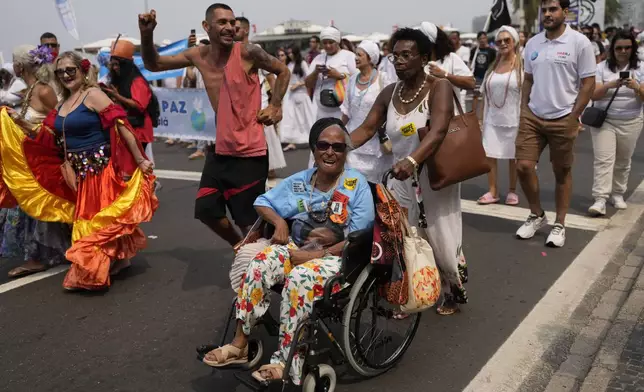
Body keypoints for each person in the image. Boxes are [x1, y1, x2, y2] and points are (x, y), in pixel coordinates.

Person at [201, 118, 374, 385]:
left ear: (345, 152)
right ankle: (240, 344)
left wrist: (316, 256)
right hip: (297, 250)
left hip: (337, 259)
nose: (330, 152)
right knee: (260, 263)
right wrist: (279, 221)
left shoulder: (355, 185)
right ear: (314, 149)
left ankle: (286, 362)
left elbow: (358, 238)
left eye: (338, 147)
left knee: (298, 280)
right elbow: (263, 202)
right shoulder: (300, 182)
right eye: (324, 145)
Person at [0, 51, 157, 291]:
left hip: (101, 173)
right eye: (60, 72)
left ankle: (95, 271)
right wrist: (19, 124)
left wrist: (140, 159)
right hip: (79, 176)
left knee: (97, 224)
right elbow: (48, 136)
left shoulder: (93, 95)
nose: (65, 75)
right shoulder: (62, 104)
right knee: (95, 223)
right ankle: (119, 260)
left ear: (83, 71)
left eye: (70, 70)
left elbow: (121, 126)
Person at [138, 4, 290, 248]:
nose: (230, 27)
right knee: (206, 210)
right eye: (222, 22)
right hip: (220, 150)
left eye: (232, 22)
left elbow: (282, 71)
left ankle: (269, 266)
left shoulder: (248, 52)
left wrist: (275, 105)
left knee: (249, 222)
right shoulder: (198, 55)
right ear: (206, 27)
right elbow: (154, 64)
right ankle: (241, 248)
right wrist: (147, 35)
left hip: (249, 152)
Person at [350, 27, 467, 315]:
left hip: (433, 175)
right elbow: (366, 128)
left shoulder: (439, 86)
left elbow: (439, 129)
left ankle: (452, 287)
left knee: (439, 235)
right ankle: (412, 290)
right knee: (403, 235)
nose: (399, 61)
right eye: (395, 56)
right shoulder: (390, 93)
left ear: (424, 57)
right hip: (399, 176)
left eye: (406, 55)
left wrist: (413, 161)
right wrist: (333, 146)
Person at [515, 0, 596, 247]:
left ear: (564, 12)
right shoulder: (533, 43)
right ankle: (537, 214)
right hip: (533, 116)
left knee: (562, 172)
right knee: (523, 167)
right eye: (545, 10)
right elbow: (528, 78)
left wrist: (574, 116)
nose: (548, 14)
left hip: (564, 117)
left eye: (553, 9)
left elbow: (589, 83)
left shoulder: (579, 43)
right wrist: (523, 108)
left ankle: (560, 223)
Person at [1, 45, 71, 279]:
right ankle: (40, 254)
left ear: (20, 66)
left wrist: (23, 124)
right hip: (32, 158)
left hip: (45, 159)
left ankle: (38, 257)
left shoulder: (43, 91)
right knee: (30, 209)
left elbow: (62, 122)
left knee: (39, 206)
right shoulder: (30, 91)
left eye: (15, 62)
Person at [588, 31, 644, 216]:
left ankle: (618, 193)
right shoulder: (601, 67)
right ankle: (600, 198)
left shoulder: (641, 67)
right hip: (605, 120)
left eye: (627, 47)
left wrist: (636, 87)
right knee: (604, 160)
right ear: (612, 49)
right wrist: (609, 85)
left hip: (631, 120)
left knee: (623, 161)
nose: (623, 51)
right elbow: (593, 94)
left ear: (633, 48)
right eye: (619, 47)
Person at [478, 26, 523, 206]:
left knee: (513, 157)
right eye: (499, 41)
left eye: (507, 40)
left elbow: (527, 94)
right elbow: (484, 95)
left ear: (514, 42)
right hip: (492, 118)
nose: (503, 43)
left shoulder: (522, 66)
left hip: (515, 118)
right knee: (490, 154)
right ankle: (493, 190)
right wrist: (479, 118)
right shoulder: (493, 66)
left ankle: (512, 191)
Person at [341, 40, 392, 183]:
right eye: (355, 54)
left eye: (360, 55)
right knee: (353, 183)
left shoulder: (383, 78)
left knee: (378, 189)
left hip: (377, 145)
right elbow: (346, 111)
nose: (355, 58)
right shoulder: (352, 80)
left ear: (370, 58)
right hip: (354, 142)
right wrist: (336, 129)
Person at [102, 40, 155, 150]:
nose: (115, 68)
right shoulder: (119, 79)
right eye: (113, 64)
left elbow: (139, 105)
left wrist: (117, 96)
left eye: (117, 64)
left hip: (138, 129)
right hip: (126, 127)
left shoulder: (137, 81)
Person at [305, 27, 358, 120]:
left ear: (337, 42)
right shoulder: (318, 59)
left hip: (343, 111)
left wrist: (340, 76)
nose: (328, 46)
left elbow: (359, 80)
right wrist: (316, 72)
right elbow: (308, 84)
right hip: (322, 111)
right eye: (325, 43)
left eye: (331, 42)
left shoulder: (349, 56)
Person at [420, 22, 475, 110]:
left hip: (451, 120)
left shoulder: (451, 59)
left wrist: (445, 75)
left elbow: (471, 83)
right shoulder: (418, 64)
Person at [280, 45, 315, 151]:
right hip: (290, 95)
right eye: (288, 52)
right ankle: (292, 141)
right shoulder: (289, 64)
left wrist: (299, 84)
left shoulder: (302, 63)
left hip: (301, 94)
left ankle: (313, 138)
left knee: (306, 118)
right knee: (291, 119)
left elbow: (309, 78)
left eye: (291, 52)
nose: (289, 54)